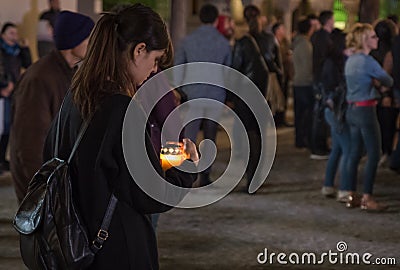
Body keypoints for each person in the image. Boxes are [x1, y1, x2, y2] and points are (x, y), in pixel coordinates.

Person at [41, 4, 198, 269]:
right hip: (116, 244)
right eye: (155, 59)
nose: (154, 70)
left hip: (76, 239)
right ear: (139, 50)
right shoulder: (122, 110)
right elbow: (151, 194)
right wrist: (187, 167)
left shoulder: (76, 96)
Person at [10, 11, 94, 203]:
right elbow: (30, 143)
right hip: (42, 187)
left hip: (57, 182)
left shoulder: (68, 73)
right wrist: (45, 188)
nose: (93, 43)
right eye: (90, 38)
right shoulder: (40, 78)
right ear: (75, 41)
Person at [174, 4, 231, 186]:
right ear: (216, 20)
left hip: (193, 93)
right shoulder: (223, 42)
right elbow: (227, 71)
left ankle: (187, 171)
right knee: (210, 135)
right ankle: (206, 174)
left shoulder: (188, 40)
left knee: (189, 134)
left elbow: (178, 68)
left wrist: (180, 89)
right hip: (215, 93)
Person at [344, 23, 393, 211]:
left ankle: (351, 194)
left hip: (351, 109)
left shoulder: (351, 60)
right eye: (372, 36)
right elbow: (388, 80)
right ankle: (367, 197)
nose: (377, 39)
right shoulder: (368, 61)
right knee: (374, 153)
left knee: (354, 152)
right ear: (364, 40)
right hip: (366, 109)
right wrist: (377, 82)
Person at [230, 4, 270, 191]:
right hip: (261, 93)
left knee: (247, 135)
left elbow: (235, 70)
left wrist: (230, 96)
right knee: (258, 134)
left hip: (244, 94)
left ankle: (250, 176)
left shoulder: (243, 42)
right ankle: (256, 176)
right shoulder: (268, 39)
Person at [320, 29, 352, 201]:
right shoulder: (336, 63)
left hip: (331, 111)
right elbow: (335, 90)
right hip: (336, 111)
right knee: (348, 150)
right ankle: (345, 190)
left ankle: (328, 185)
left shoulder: (330, 61)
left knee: (338, 149)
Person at [0, 22, 31, 173]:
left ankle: (2, 159)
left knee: (9, 127)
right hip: (3, 92)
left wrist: (25, 48)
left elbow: (28, 64)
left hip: (13, 92)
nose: (15, 36)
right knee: (2, 127)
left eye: (16, 33)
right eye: (11, 33)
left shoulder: (17, 50)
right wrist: (3, 86)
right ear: (3, 34)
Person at [370, 20, 399, 167]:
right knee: (390, 125)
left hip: (376, 94)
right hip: (389, 92)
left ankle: (383, 152)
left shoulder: (372, 51)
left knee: (381, 125)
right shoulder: (392, 50)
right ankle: (388, 153)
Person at [310, 10, 335, 159]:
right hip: (322, 79)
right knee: (320, 114)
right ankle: (318, 147)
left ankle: (318, 145)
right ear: (329, 20)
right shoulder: (324, 38)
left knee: (319, 113)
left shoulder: (317, 36)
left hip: (318, 78)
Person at [292, 18, 314, 149]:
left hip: (297, 81)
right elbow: (308, 67)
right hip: (305, 82)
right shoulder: (306, 45)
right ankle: (303, 139)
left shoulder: (297, 43)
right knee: (306, 114)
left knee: (299, 114)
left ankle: (299, 139)